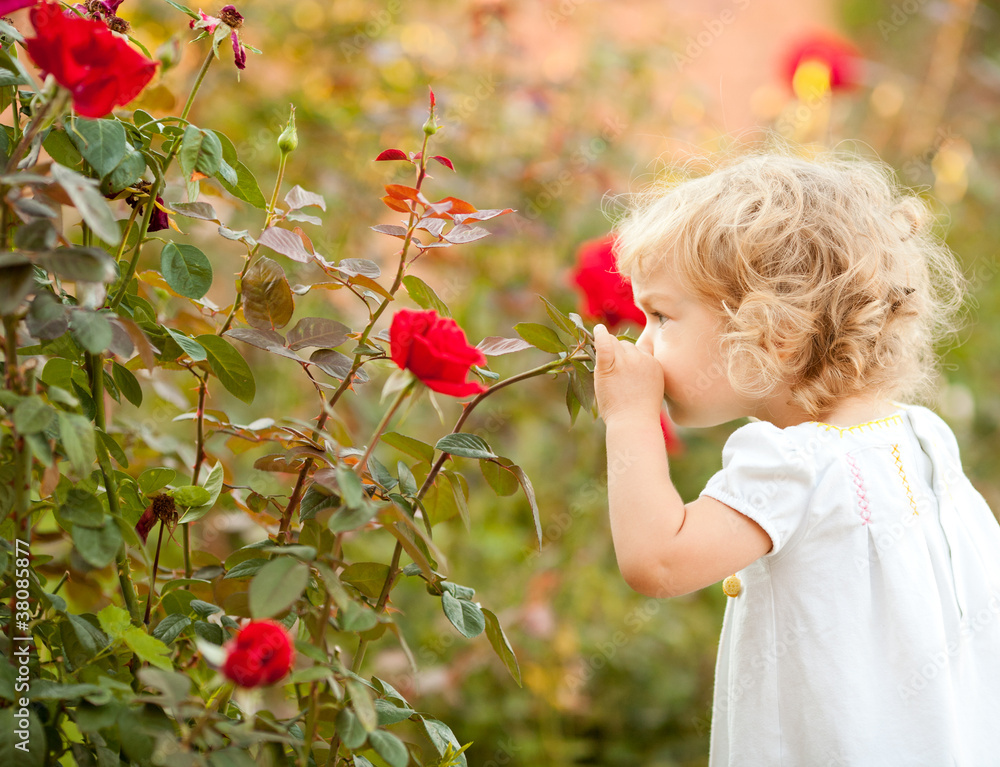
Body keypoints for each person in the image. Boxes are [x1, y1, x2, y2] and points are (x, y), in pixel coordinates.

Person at [591, 150, 1000, 766]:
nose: (643, 344)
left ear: (774, 331)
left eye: (662, 315)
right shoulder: (923, 438)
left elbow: (657, 561)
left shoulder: (796, 464)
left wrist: (626, 416)